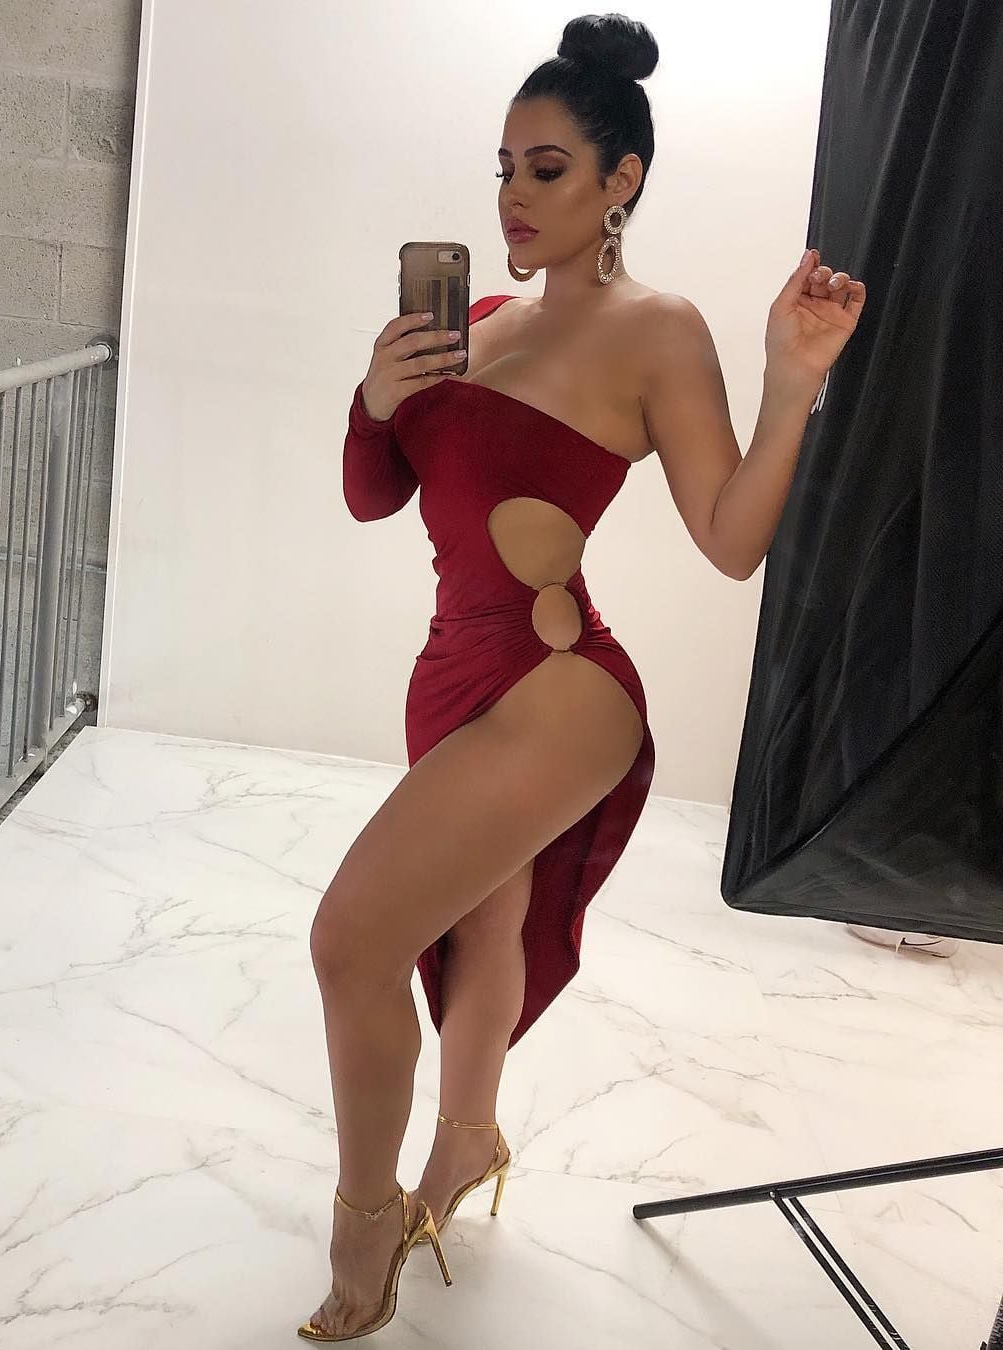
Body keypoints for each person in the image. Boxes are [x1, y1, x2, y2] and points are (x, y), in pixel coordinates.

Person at [299, 12, 866, 1342]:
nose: (513, 194)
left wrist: (790, 382)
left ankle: (365, 1227)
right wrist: (374, 397)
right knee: (482, 925)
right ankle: (468, 1138)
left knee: (352, 943)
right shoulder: (477, 323)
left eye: (547, 168)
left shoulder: (656, 330)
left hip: (561, 689)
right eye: (503, 167)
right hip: (452, 672)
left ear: (622, 181)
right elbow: (373, 497)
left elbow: (729, 540)